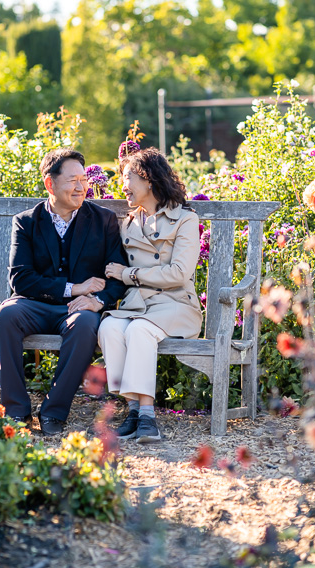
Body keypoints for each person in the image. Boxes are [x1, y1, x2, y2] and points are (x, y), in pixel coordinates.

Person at [0, 148, 126, 436]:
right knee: (3, 318)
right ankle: (16, 411)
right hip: (33, 304)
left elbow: (117, 277)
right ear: (50, 184)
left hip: (79, 309)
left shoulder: (103, 221)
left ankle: (54, 411)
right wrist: (74, 287)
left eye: (84, 179)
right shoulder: (26, 221)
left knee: (87, 323)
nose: (81, 187)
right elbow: (21, 279)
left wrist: (96, 300)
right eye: (72, 180)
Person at [101, 147, 202, 443]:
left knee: (139, 330)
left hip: (176, 306)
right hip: (137, 305)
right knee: (108, 327)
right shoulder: (129, 223)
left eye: (128, 176)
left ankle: (147, 415)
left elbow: (178, 273)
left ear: (149, 180)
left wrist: (128, 275)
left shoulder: (185, 220)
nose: (123, 185)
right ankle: (132, 410)